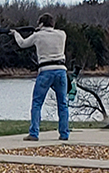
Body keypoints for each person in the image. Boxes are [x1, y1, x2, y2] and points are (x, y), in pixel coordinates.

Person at [11, 13, 69, 141]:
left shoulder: (37, 36)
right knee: (63, 104)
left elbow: (22, 43)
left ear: (41, 24)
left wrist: (16, 34)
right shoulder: (62, 34)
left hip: (45, 70)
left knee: (37, 103)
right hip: (61, 71)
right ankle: (64, 133)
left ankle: (34, 133)